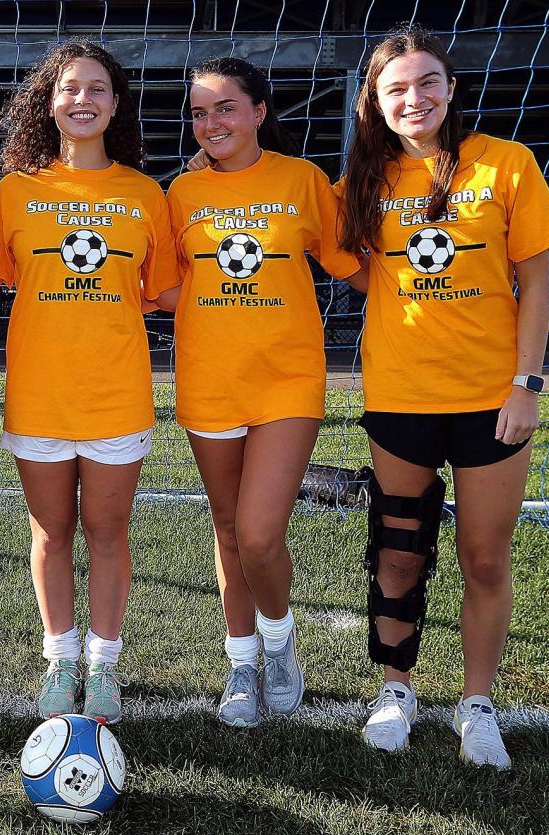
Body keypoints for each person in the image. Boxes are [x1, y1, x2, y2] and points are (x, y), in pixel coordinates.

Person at [339, 24, 549, 768]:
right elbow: (348, 265)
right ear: (374, 100)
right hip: (402, 396)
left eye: (427, 81)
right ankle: (395, 691)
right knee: (398, 550)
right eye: (396, 87)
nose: (415, 97)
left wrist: (526, 385)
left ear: (452, 87)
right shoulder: (363, 180)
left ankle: (477, 705)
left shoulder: (504, 165)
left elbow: (534, 283)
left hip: (492, 398)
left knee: (483, 557)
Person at [0, 41, 177, 724]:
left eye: (97, 88)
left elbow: (162, 292)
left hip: (117, 395)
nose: (82, 99)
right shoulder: (15, 192)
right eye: (69, 88)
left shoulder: (145, 193)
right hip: (39, 397)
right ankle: (61, 658)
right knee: (52, 534)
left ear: (116, 104)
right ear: (48, 102)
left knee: (107, 531)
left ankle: (105, 663)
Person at [160, 58, 362, 727]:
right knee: (227, 528)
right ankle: (241, 660)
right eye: (200, 112)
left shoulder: (302, 182)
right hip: (209, 378)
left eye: (225, 107)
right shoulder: (179, 196)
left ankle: (279, 642)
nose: (211, 122)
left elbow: (354, 266)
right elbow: (161, 284)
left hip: (287, 380)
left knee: (258, 532)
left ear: (258, 112)